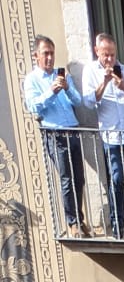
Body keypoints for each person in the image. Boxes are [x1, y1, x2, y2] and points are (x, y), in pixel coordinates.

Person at [82, 33, 124, 238]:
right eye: (106, 55)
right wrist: (105, 83)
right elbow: (89, 102)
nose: (110, 59)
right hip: (111, 136)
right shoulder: (90, 71)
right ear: (97, 51)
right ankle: (118, 222)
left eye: (112, 55)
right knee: (117, 179)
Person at [22, 37, 85, 235]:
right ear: (36, 56)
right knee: (67, 177)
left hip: (73, 129)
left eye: (51, 53)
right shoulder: (32, 80)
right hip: (55, 133)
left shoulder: (62, 74)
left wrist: (66, 87)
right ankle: (72, 222)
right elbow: (33, 106)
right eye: (45, 53)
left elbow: (78, 100)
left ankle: (79, 218)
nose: (49, 57)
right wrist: (51, 91)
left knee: (79, 178)